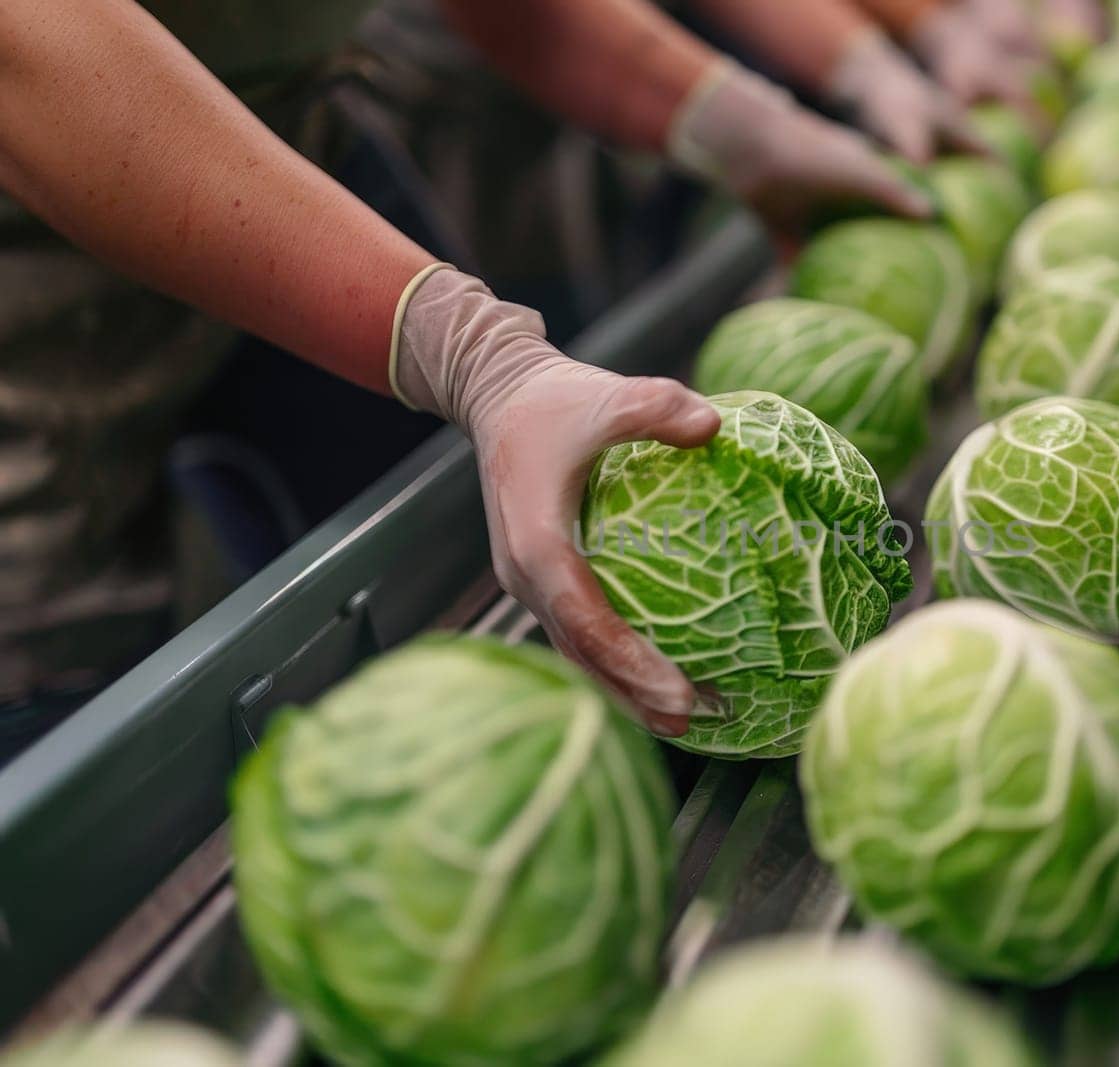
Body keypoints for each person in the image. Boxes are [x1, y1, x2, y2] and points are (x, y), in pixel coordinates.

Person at [0, 0, 1044, 752]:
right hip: (30, 293)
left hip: (291, 156)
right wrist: (472, 350)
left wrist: (738, 122)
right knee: (62, 739)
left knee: (457, 566)